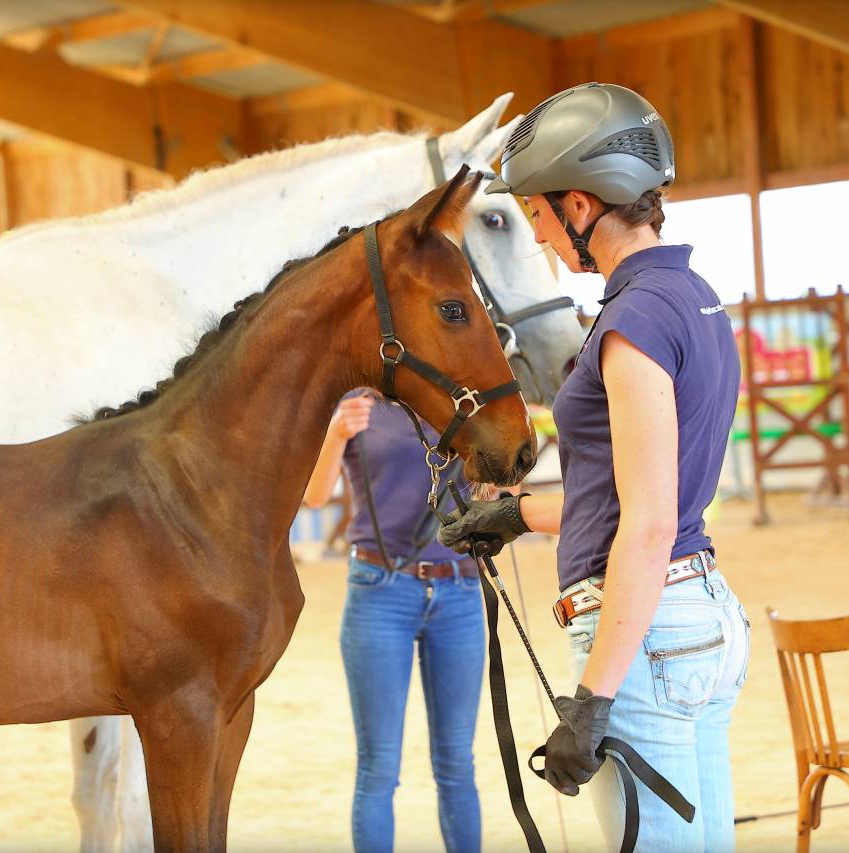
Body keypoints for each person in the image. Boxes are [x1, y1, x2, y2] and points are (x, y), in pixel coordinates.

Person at [438, 82, 750, 852]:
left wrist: (593, 699)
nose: (541, 238)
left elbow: (647, 526)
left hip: (644, 631)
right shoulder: (692, 296)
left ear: (579, 206)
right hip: (697, 610)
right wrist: (517, 513)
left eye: (539, 216)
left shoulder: (632, 320)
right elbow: (634, 495)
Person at [304, 389, 485, 853]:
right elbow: (315, 496)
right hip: (380, 589)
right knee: (379, 766)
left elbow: (496, 483)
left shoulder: (462, 402)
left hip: (459, 589)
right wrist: (336, 433)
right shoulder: (358, 403)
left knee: (457, 764)